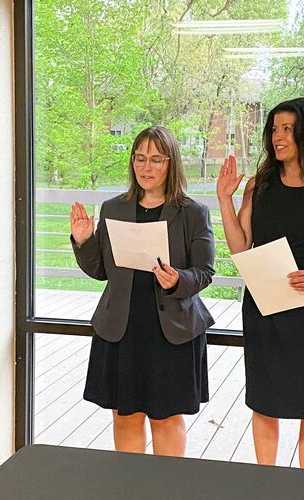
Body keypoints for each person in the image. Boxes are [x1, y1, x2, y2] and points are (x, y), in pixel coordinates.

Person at [216, 98, 304, 469]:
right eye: (274, 129)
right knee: (264, 402)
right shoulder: (258, 184)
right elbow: (240, 247)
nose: (277, 137)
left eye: (286, 129)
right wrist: (224, 199)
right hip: (265, 307)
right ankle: (268, 482)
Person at [70, 126, 215, 457]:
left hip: (171, 331)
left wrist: (177, 279)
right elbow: (100, 271)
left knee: (166, 419)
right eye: (139, 158)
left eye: (155, 159)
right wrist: (84, 241)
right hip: (122, 328)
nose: (146, 167)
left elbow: (204, 272)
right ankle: (130, 494)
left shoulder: (193, 213)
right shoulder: (114, 209)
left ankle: (167, 495)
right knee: (124, 417)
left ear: (171, 164)